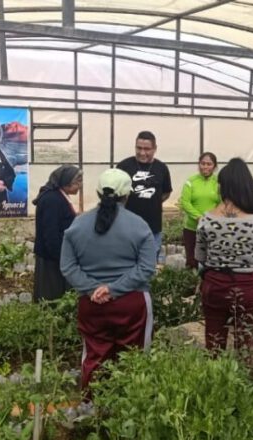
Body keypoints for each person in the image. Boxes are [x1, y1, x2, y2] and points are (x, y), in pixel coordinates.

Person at [60, 169, 157, 391]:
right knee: (134, 359)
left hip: (92, 304)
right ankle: (130, 408)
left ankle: (92, 413)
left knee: (95, 357)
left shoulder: (77, 226)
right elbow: (146, 268)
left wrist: (94, 288)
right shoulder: (140, 225)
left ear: (97, 192)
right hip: (132, 303)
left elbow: (68, 266)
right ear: (127, 195)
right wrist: (113, 289)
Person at [195, 158, 253, 367]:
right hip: (247, 287)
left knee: (214, 345)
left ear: (223, 186)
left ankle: (213, 388)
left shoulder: (207, 219)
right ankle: (246, 389)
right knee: (246, 348)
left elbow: (200, 258)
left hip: (215, 285)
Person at [117, 130, 172, 262]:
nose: (142, 153)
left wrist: (151, 202)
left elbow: (166, 192)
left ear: (155, 149)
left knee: (149, 264)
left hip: (152, 227)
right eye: (139, 148)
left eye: (147, 149)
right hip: (127, 228)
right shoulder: (124, 166)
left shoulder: (161, 168)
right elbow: (115, 193)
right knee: (126, 262)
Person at [32, 165, 82, 302]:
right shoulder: (52, 200)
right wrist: (62, 259)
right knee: (51, 296)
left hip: (58, 256)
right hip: (52, 259)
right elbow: (51, 234)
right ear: (66, 182)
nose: (80, 185)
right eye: (77, 182)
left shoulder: (59, 197)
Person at [178, 152, 221, 269]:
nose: (205, 167)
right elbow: (185, 202)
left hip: (212, 228)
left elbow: (221, 203)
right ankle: (192, 285)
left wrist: (210, 219)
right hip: (191, 228)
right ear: (199, 165)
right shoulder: (190, 181)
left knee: (211, 261)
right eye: (203, 163)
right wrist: (198, 217)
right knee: (192, 261)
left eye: (209, 164)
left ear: (215, 166)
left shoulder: (218, 183)